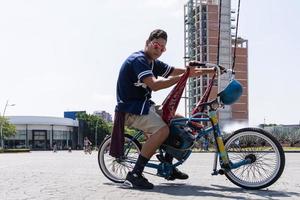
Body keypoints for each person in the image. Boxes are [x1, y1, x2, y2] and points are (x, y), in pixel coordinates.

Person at [115, 29, 216, 189]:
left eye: (163, 48)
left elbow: (179, 71)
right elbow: (154, 85)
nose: (159, 50)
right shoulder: (138, 60)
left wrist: (211, 71)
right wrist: (183, 77)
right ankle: (135, 175)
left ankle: (168, 165)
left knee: (178, 120)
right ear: (147, 43)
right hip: (130, 109)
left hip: (144, 106)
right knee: (163, 131)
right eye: (156, 46)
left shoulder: (153, 62)